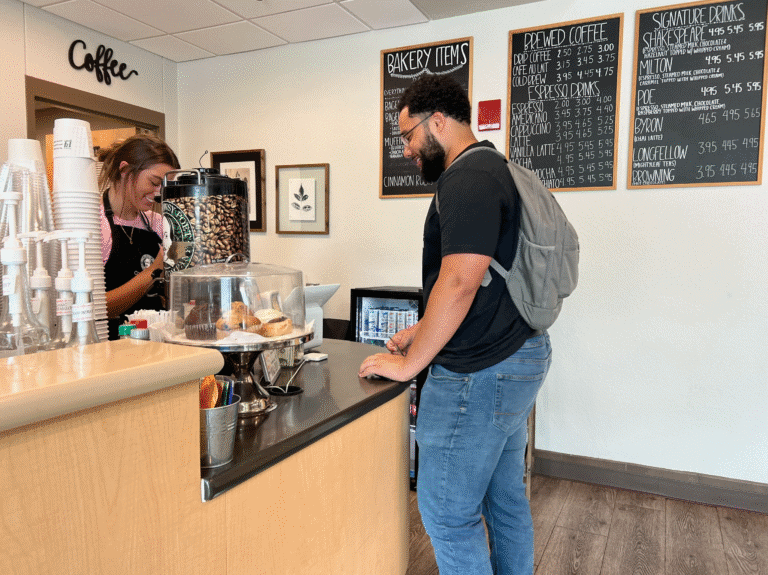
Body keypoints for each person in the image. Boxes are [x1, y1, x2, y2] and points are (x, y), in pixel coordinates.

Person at [358, 74, 552, 575]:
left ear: (438, 122)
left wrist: (409, 365)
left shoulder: (466, 179)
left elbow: (461, 281)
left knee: (447, 515)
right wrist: (422, 330)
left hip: (479, 372)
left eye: (407, 135)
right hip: (518, 354)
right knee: (504, 500)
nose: (405, 149)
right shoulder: (496, 168)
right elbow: (486, 282)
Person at [99, 134, 180, 340]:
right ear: (125, 171)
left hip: (157, 345)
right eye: (154, 182)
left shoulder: (158, 223)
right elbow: (94, 309)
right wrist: (155, 270)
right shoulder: (95, 225)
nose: (159, 193)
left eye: (165, 186)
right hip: (114, 345)